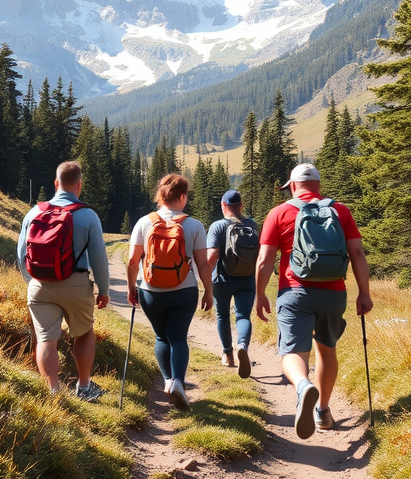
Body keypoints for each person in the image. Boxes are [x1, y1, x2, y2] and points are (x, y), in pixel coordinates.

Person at [255, 162, 372, 439]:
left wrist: (259, 295)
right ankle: (322, 411)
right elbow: (357, 253)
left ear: (293, 186)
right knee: (327, 350)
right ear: (318, 186)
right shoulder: (340, 210)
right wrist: (364, 293)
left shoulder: (280, 212)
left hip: (295, 293)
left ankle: (302, 386)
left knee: (293, 352)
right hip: (333, 293)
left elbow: (264, 260)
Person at [17, 161, 110, 401]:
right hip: (76, 284)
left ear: (56, 183)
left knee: (46, 338)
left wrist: (32, 281)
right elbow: (99, 259)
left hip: (40, 286)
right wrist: (104, 290)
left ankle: (53, 392)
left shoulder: (34, 212)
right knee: (85, 333)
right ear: (79, 185)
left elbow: (20, 254)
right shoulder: (87, 215)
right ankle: (84, 386)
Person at [127, 173, 213, 410]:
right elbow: (203, 264)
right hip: (183, 291)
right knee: (178, 337)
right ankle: (178, 383)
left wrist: (132, 287)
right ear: (183, 196)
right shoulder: (194, 225)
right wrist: (208, 291)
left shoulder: (144, 222)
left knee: (161, 337)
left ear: (161, 195)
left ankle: (168, 380)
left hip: (150, 292)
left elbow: (133, 262)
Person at [206, 189, 258, 378]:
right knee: (243, 316)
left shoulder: (218, 226)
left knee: (222, 315)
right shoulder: (252, 225)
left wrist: (204, 281)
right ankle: (242, 344)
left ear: (223, 205)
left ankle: (228, 354)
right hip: (247, 279)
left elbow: (211, 258)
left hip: (222, 279)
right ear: (241, 206)